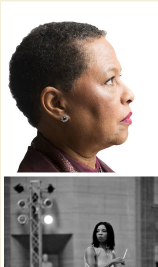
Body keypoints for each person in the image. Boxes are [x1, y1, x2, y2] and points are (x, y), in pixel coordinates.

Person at [9, 21, 134, 172]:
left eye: (119, 76)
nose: (129, 95)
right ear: (56, 104)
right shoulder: (39, 190)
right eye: (109, 80)